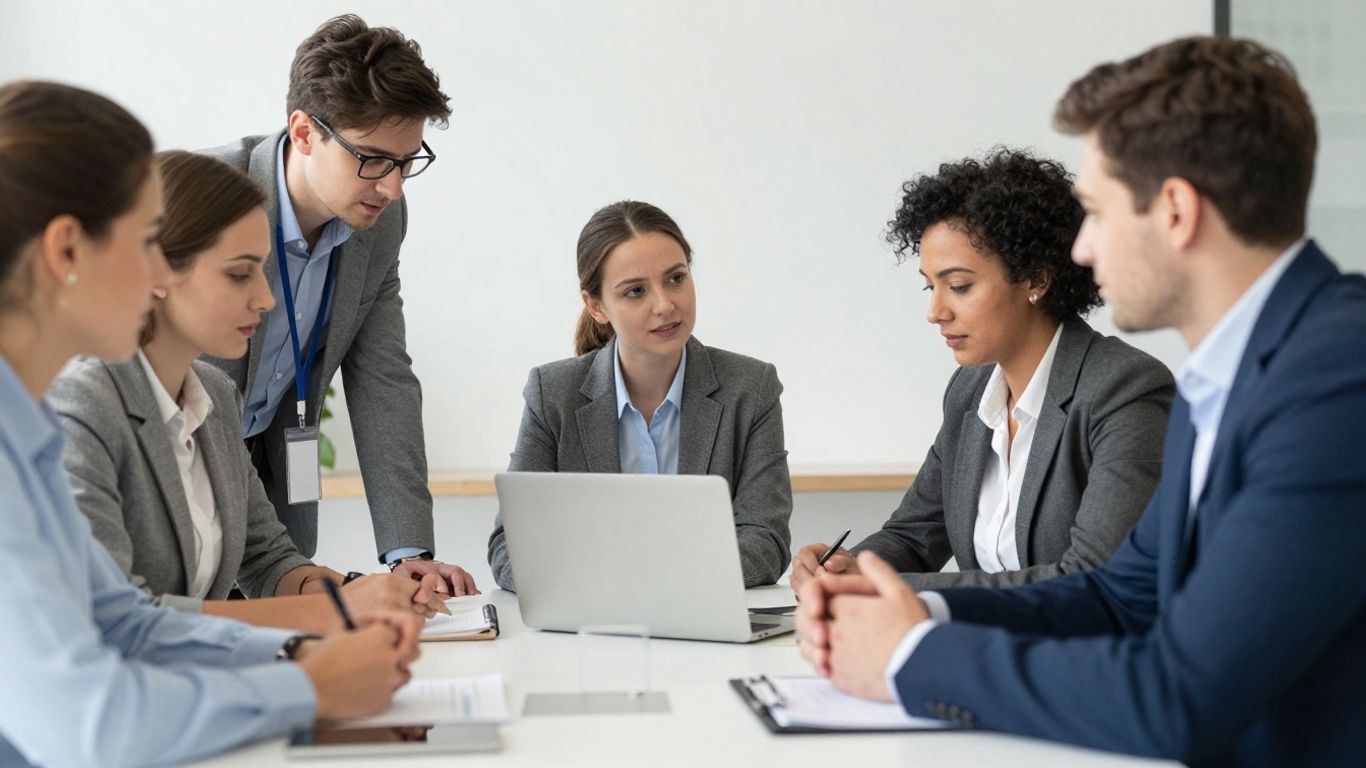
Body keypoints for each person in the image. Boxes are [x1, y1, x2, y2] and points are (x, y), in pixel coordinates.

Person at [795, 36, 1366, 766]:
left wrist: (913, 658)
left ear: (1176, 211)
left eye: (1095, 213)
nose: (1083, 251)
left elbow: (1180, 696)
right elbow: (1117, 598)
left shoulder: (1335, 381)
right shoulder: (1222, 378)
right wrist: (915, 610)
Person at [0, 80, 421, 768]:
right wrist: (308, 685)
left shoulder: (29, 428)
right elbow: (89, 724)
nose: (154, 273)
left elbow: (125, 624)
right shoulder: (48, 422)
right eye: (144, 242)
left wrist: (312, 647)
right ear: (67, 251)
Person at [49, 151, 448, 633]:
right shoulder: (77, 409)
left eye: (262, 269)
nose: (266, 299)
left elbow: (268, 558)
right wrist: (333, 615)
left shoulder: (213, 397)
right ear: (154, 272)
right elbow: (113, 617)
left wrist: (363, 593)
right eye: (240, 273)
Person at [790, 148, 1173, 593]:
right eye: (929, 286)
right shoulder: (970, 393)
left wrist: (888, 589)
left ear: (1035, 279)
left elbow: (1092, 579)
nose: (935, 312)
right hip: (977, 645)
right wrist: (845, 568)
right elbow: (913, 536)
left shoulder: (1124, 389)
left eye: (958, 286)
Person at [200, 14, 477, 595]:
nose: (393, 186)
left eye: (407, 161)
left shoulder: (381, 221)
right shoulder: (204, 194)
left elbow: (384, 380)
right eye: (374, 159)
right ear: (304, 132)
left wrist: (409, 553)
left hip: (269, 490)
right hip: (182, 467)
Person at [487, 201, 792, 590]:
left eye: (676, 278)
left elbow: (765, 539)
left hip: (705, 623)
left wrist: (660, 583)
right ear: (596, 307)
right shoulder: (553, 394)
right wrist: (617, 588)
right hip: (592, 627)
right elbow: (510, 546)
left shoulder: (751, 387)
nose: (665, 305)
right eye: (635, 291)